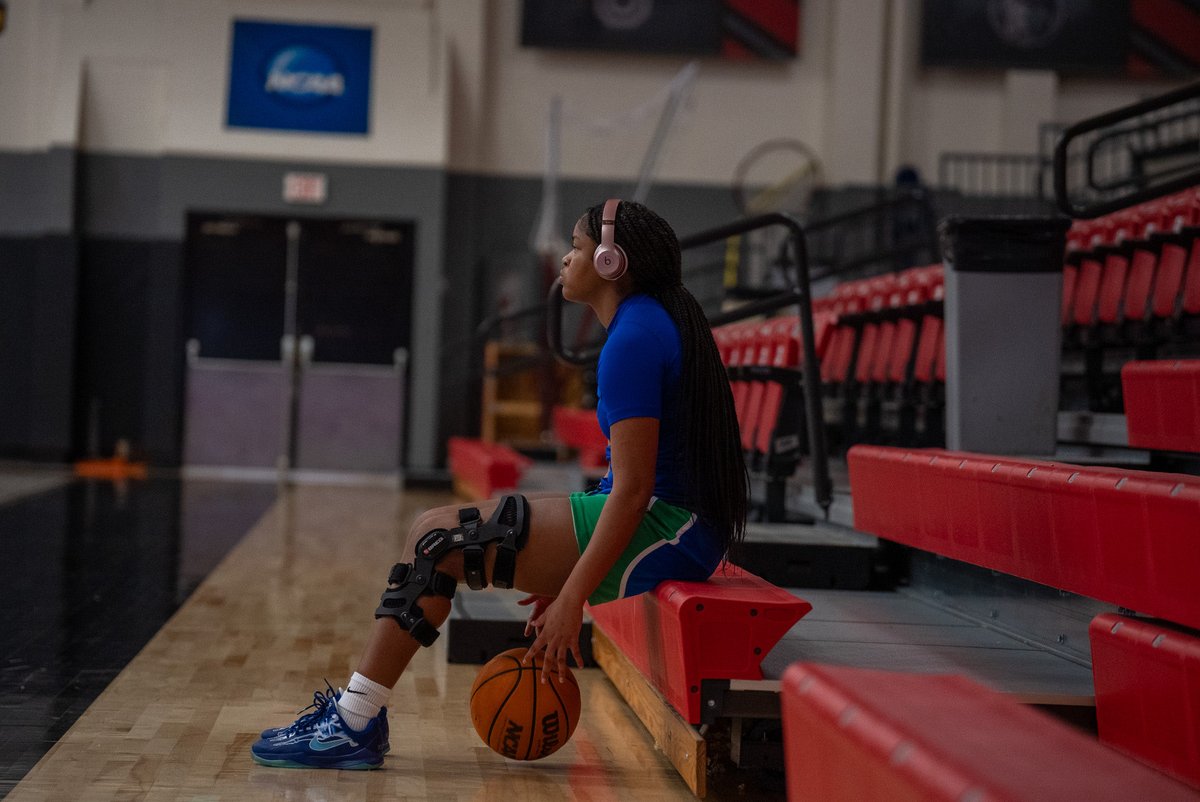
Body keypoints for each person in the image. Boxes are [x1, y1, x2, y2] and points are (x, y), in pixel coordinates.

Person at [250, 199, 749, 770]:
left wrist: (572, 595)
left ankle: (353, 722)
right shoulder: (647, 323)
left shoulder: (634, 339)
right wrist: (559, 565)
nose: (566, 258)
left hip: (670, 527)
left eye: (579, 248)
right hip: (669, 517)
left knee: (439, 543)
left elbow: (635, 493)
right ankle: (355, 717)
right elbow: (630, 482)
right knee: (433, 532)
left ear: (613, 263)